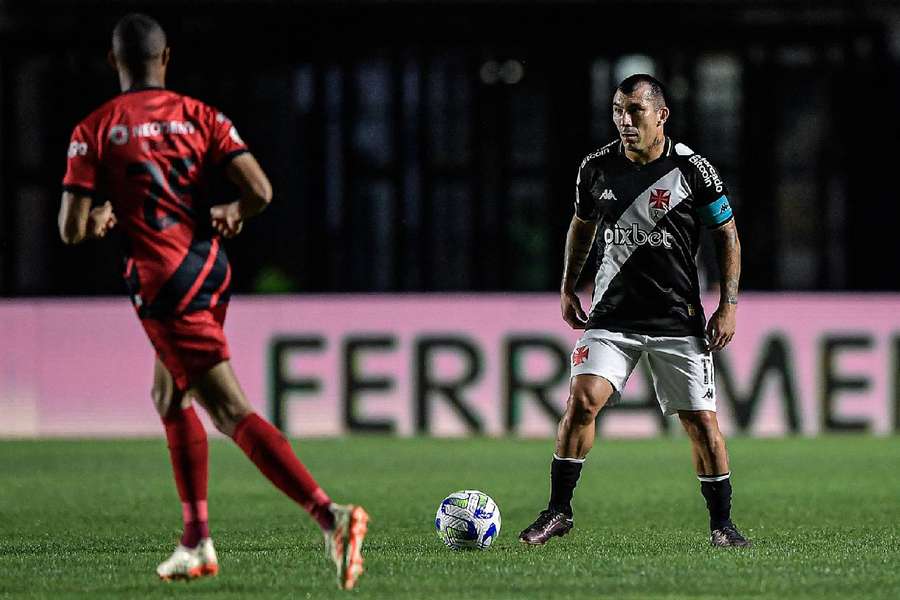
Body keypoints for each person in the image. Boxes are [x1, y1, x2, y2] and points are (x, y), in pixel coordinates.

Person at [58, 13, 369, 588]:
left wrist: (104, 213)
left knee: (227, 409)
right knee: (169, 396)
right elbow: (260, 191)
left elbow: (71, 230)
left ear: (113, 62)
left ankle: (332, 517)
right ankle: (196, 541)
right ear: (166, 58)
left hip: (162, 280)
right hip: (208, 266)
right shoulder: (202, 115)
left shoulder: (95, 128)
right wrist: (232, 211)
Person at [518, 74, 750, 548]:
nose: (625, 120)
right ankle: (558, 511)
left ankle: (722, 526)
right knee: (582, 401)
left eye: (635, 111)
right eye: (618, 111)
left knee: (702, 423)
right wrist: (567, 287)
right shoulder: (595, 168)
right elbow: (580, 228)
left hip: (676, 318)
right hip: (611, 316)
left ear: (661, 115)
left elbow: (727, 235)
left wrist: (728, 305)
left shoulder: (693, 170)